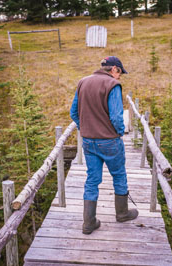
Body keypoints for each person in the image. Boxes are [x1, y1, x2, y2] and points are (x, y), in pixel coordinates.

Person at [70, 56, 139, 235]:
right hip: (109, 141)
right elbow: (117, 117)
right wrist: (119, 132)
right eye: (120, 73)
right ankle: (122, 213)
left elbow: (73, 112)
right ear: (114, 69)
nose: (120, 77)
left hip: (88, 141)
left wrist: (84, 128)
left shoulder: (83, 82)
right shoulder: (112, 85)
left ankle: (89, 222)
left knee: (92, 179)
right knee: (119, 175)